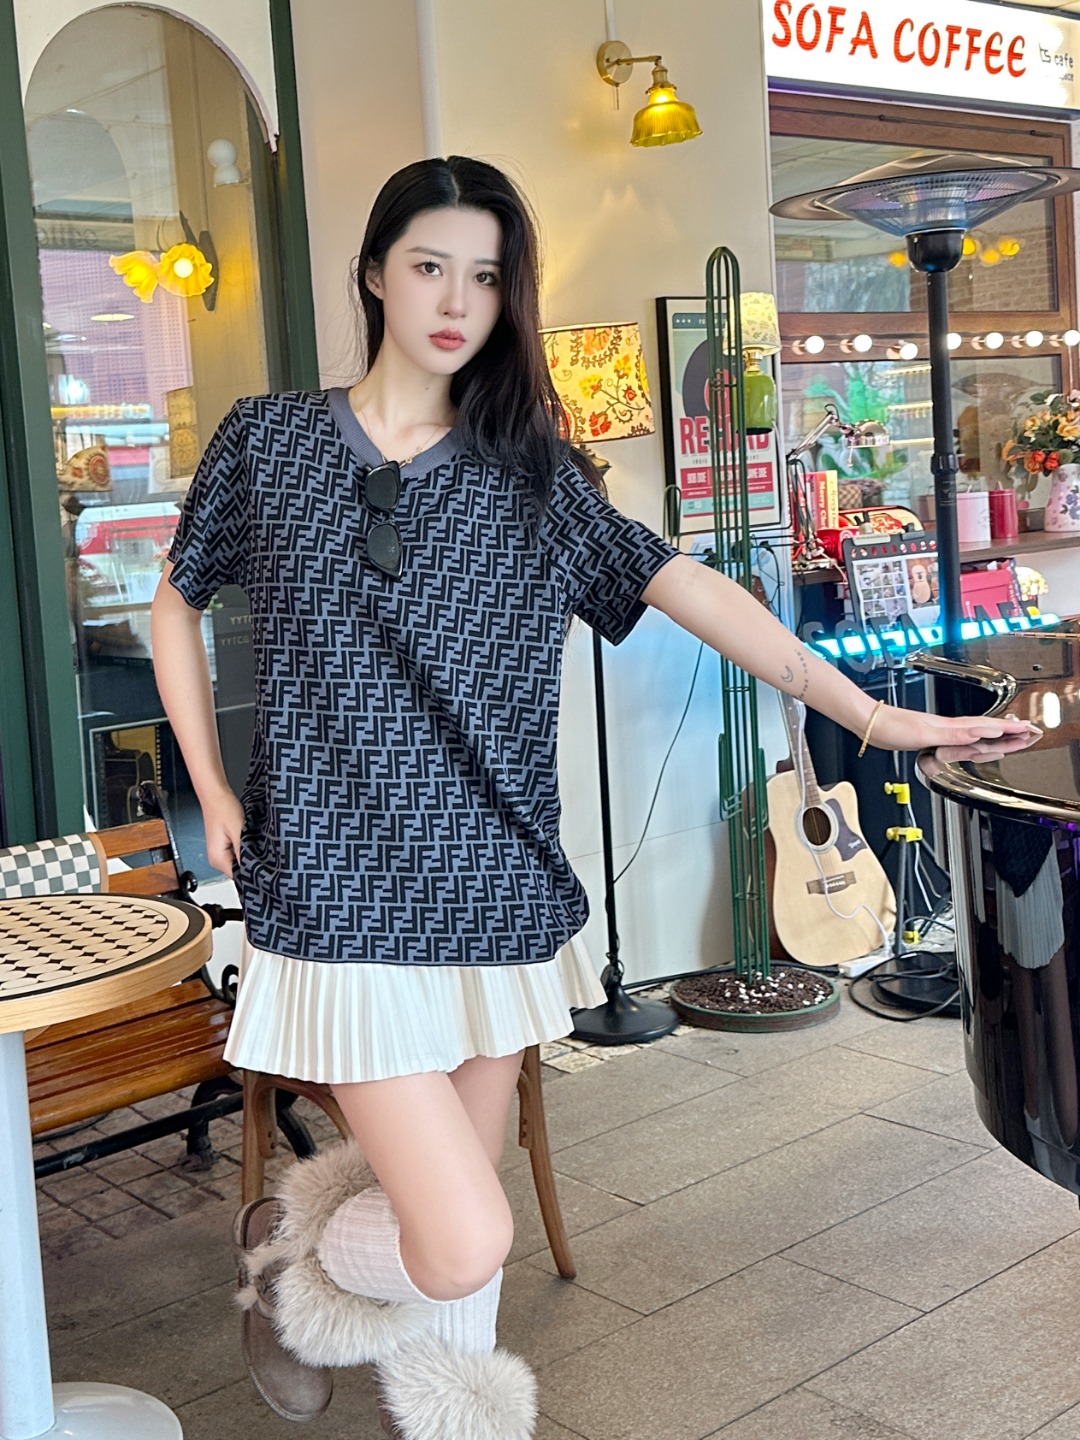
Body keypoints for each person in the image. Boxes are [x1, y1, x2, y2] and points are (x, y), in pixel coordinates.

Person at [150, 155, 1040, 1440]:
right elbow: (176, 601)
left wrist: (877, 717)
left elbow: (700, 593)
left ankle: (435, 1406)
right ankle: (291, 1264)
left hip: (498, 880)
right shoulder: (269, 441)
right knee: (463, 1238)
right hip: (339, 882)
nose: (457, 300)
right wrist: (212, 784)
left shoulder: (535, 478)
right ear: (375, 273)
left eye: (486, 276)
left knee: (464, 1240)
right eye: (429, 266)